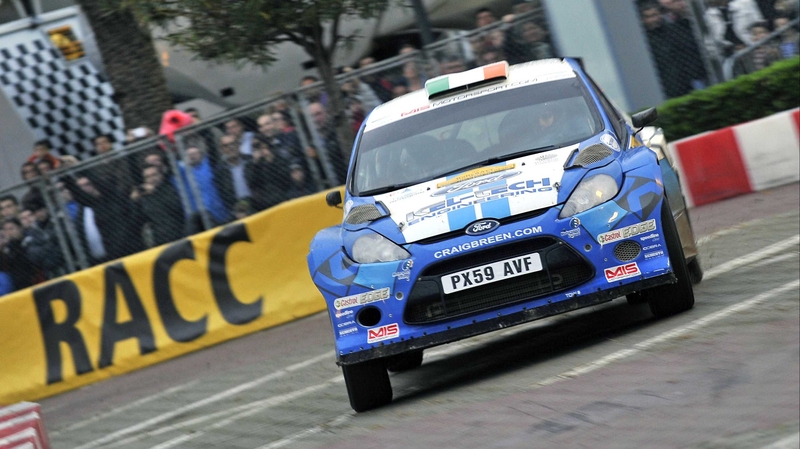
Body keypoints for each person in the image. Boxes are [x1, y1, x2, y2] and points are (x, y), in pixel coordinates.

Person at [131, 165, 186, 247]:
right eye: (148, 177)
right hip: (159, 238)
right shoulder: (145, 196)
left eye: (154, 175)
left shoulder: (169, 188)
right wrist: (135, 200)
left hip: (178, 232)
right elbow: (138, 219)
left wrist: (156, 192)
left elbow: (175, 207)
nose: (152, 179)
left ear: (161, 175)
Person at [179, 145, 231, 229]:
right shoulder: (183, 173)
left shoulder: (209, 165)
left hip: (218, 212)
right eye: (189, 154)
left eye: (195, 153)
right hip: (199, 219)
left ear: (201, 155)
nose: (192, 156)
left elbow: (212, 149)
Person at [245, 134, 291, 211]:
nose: (258, 149)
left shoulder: (278, 158)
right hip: (264, 203)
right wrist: (255, 164)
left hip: (283, 196)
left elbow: (285, 177)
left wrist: (270, 160)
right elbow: (251, 183)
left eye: (260, 145)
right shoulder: (251, 165)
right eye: (255, 146)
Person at [307, 101, 348, 185]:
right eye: (313, 116)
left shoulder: (337, 131)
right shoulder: (311, 141)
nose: (316, 119)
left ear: (325, 113)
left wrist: (319, 155)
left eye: (318, 114)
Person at [1, 218, 46, 290]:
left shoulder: (30, 242)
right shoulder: (7, 249)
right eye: (6, 230)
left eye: (11, 229)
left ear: (20, 228)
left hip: (36, 285)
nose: (9, 232)